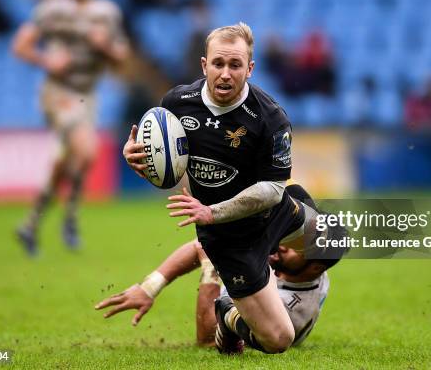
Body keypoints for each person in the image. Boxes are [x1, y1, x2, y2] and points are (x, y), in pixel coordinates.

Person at [123, 22, 311, 354]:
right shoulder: (177, 104)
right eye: (218, 64)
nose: (225, 73)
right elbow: (159, 162)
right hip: (229, 238)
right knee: (279, 339)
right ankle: (227, 315)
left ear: (250, 69)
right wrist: (136, 158)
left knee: (334, 238)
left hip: (273, 212)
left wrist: (211, 210)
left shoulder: (270, 118)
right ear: (204, 65)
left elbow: (272, 189)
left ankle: (306, 286)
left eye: (235, 65)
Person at [95, 183, 341, 350]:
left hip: (248, 317)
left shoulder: (290, 312)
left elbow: (208, 339)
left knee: (216, 259)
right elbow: (197, 245)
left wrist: (211, 268)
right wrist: (150, 287)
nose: (284, 243)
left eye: (295, 245)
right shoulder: (291, 256)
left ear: (315, 268)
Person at [12, 0, 129, 255]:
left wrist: (105, 46)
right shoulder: (52, 9)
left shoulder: (106, 12)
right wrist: (45, 60)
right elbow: (21, 45)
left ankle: (31, 223)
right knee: (86, 149)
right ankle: (71, 219)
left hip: (87, 95)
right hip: (58, 91)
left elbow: (121, 59)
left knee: (74, 159)